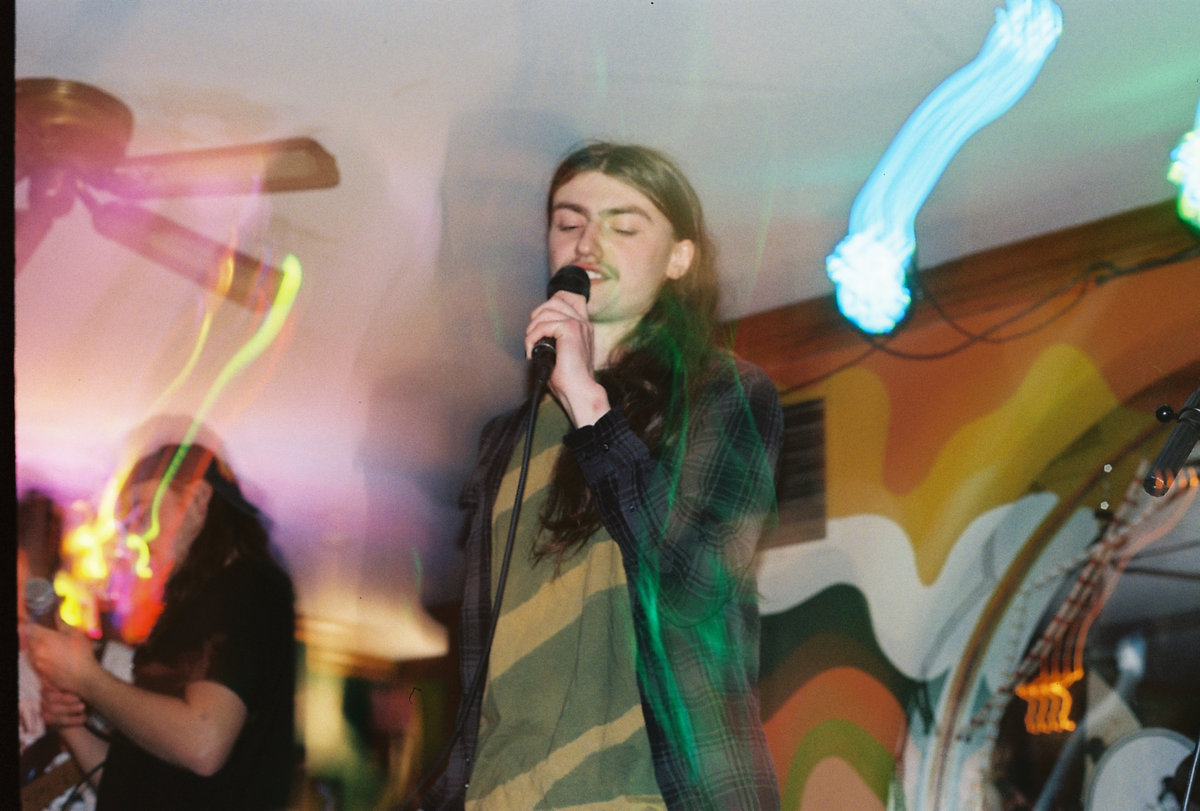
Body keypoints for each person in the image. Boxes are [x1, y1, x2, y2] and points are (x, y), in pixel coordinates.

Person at [425, 142, 783, 809]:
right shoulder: (505, 440)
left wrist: (589, 406)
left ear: (679, 258)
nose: (588, 242)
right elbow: (482, 659)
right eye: (569, 222)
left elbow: (694, 583)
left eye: (624, 225)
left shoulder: (723, 393)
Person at [27, 439, 297, 810]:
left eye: (142, 511)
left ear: (198, 500)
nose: (133, 535)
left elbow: (202, 744)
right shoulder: (180, 619)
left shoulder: (248, 585)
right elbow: (131, 785)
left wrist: (86, 677)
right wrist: (69, 725)